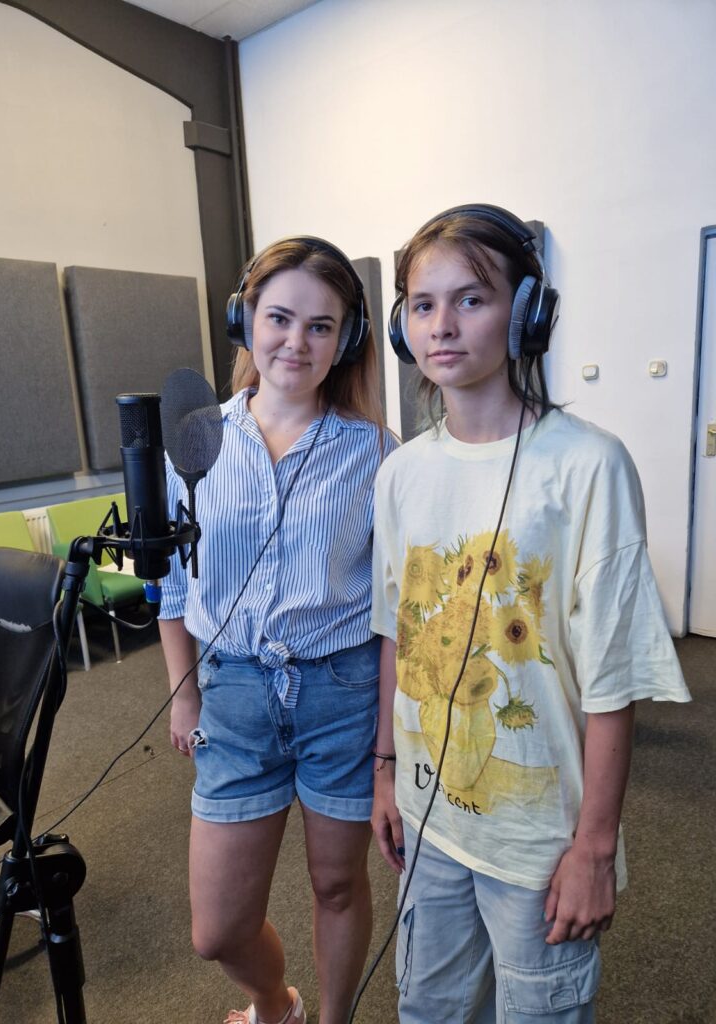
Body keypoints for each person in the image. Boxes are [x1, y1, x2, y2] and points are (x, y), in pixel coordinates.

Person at [370, 204, 691, 1023]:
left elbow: (612, 681)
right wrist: (385, 772)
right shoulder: (401, 473)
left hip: (539, 844)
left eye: (471, 299)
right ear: (403, 326)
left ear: (526, 314)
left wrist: (595, 849)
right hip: (430, 819)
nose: (442, 325)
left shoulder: (589, 465)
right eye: (422, 305)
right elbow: (396, 634)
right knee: (428, 1009)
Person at [158, 236, 398, 1024]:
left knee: (337, 884)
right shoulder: (195, 440)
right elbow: (172, 582)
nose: (297, 341)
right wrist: (183, 693)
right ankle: (275, 1002)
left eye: (321, 325)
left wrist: (387, 748)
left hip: (342, 692)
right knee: (217, 929)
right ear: (245, 321)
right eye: (280, 318)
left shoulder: (375, 453)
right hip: (231, 696)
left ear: (346, 340)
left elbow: (393, 610)